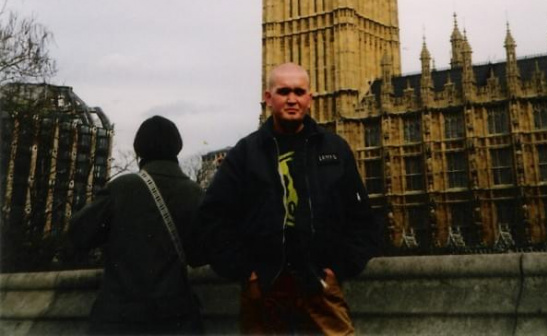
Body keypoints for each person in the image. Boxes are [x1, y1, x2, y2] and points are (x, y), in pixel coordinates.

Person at [197, 62, 378, 335]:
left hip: (320, 288)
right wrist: (246, 271)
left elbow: (362, 218)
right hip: (265, 291)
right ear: (268, 98)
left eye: (298, 91)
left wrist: (339, 268)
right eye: (283, 92)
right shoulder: (246, 153)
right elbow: (213, 218)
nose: (292, 99)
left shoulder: (334, 149)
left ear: (309, 99)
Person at [69, 115, 207, 335]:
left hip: (119, 320)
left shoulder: (121, 188)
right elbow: (200, 256)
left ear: (138, 151)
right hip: (176, 321)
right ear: (176, 149)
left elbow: (78, 234)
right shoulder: (195, 194)